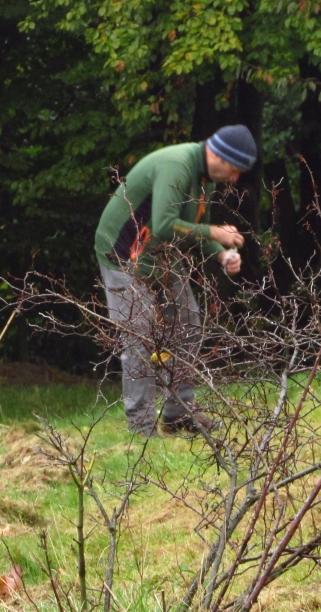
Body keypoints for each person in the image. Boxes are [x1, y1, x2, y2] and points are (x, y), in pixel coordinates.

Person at [95, 124, 256, 437]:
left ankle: (179, 414)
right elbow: (167, 224)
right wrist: (217, 233)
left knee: (188, 322)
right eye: (235, 170)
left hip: (158, 256)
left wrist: (221, 254)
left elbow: (194, 230)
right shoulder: (178, 166)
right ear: (220, 157)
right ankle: (141, 427)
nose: (235, 180)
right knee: (138, 337)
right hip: (122, 253)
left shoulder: (204, 181)